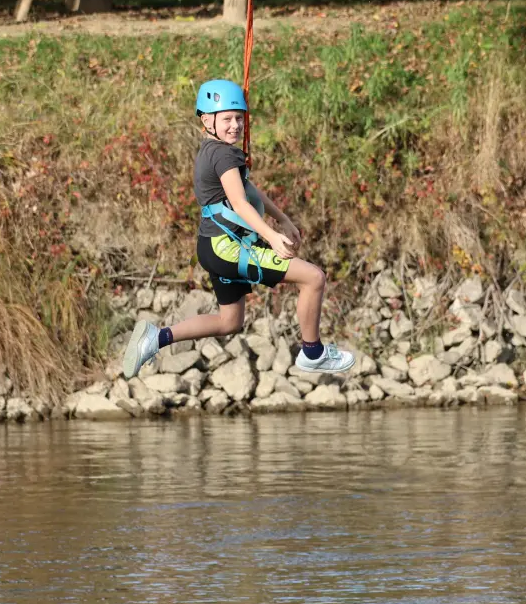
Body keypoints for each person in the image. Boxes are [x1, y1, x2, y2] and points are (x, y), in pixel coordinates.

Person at [121, 79, 355, 379]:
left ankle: (155, 338)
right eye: (227, 119)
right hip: (227, 248)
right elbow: (241, 203)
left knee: (229, 321)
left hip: (212, 247)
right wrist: (272, 236)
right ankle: (313, 353)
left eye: (239, 119)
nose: (235, 126)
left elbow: (246, 187)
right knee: (313, 278)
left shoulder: (212, 150)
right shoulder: (224, 154)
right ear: (207, 120)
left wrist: (281, 217)